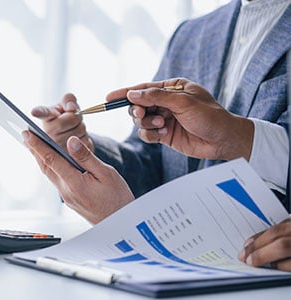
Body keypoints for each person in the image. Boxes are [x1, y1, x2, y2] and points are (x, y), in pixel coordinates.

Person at [24, 0, 291, 270]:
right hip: (177, 272)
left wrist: (243, 137)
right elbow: (153, 163)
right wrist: (84, 154)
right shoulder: (191, 34)